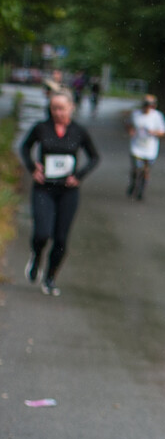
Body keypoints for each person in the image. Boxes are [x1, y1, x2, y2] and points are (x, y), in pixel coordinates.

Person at [18, 92, 101, 296]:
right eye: (54, 108)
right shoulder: (41, 128)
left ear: (71, 107)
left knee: (61, 239)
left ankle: (50, 278)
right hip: (44, 188)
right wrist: (32, 168)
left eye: (62, 108)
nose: (58, 112)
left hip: (68, 191)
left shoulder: (79, 131)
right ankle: (36, 256)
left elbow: (94, 157)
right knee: (42, 233)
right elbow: (25, 147)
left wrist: (79, 176)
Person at [126, 94, 165, 200]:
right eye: (146, 104)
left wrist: (153, 132)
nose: (147, 107)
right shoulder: (135, 114)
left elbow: (163, 131)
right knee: (136, 168)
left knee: (146, 170)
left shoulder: (157, 116)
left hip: (150, 147)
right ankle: (133, 183)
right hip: (136, 145)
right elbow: (129, 124)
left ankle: (141, 190)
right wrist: (131, 131)